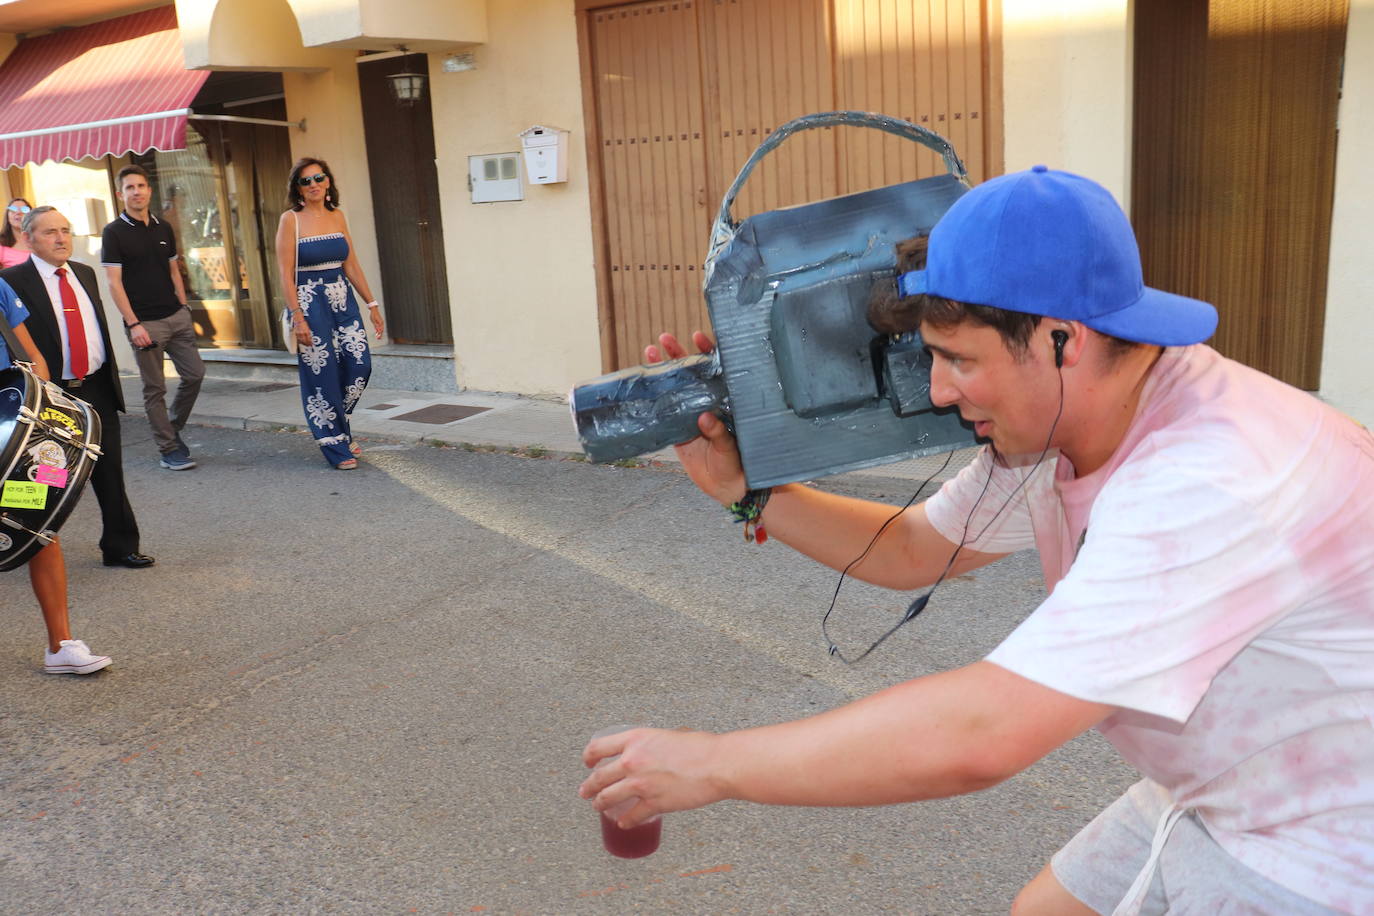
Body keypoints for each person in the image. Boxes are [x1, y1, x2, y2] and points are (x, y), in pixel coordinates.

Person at [579, 167, 1374, 914]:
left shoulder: (1207, 483)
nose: (937, 391)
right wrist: (746, 490)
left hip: (1325, 833)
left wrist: (713, 766)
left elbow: (986, 731)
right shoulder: (1073, 413)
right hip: (1227, 775)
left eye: (958, 360)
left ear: (1064, 339)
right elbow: (915, 548)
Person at [1, 206, 154, 570]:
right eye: (50, 232)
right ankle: (24, 545)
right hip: (51, 393)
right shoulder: (14, 281)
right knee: (44, 473)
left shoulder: (83, 273)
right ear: (28, 239)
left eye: (65, 230)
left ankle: (120, 546)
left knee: (109, 469)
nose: (60, 238)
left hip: (96, 385)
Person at [0, 279, 114, 674]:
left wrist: (44, 409)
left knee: (37, 525)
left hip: (9, 416)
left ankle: (60, 645)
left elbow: (30, 354)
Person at [273, 158, 384, 470]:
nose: (314, 185)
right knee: (322, 375)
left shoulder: (337, 216)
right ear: (297, 188)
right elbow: (285, 274)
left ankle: (340, 425)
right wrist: (298, 318)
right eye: (306, 181)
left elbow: (351, 263)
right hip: (309, 304)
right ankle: (334, 443)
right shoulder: (290, 220)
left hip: (342, 301)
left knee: (360, 364)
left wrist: (372, 304)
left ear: (327, 181)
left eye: (318, 178)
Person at [101, 165, 204, 471]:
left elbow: (174, 270)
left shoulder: (163, 228)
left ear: (149, 190)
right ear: (121, 194)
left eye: (141, 186)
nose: (137, 192)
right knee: (155, 388)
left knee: (195, 374)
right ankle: (168, 448)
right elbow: (113, 282)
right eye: (130, 187)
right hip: (145, 324)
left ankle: (171, 427)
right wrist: (133, 324)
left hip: (176, 316)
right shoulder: (113, 232)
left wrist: (184, 307)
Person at [0, 197, 34, 268]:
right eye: (13, 209)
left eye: (24, 209)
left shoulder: (40, 239)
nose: (18, 212)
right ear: (7, 216)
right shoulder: (1, 244)